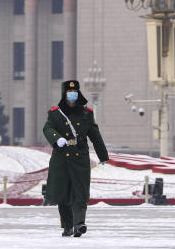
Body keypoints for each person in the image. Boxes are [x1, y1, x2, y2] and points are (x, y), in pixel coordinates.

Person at [42, 79, 109, 237]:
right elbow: (47, 128)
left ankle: (79, 223)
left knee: (80, 193)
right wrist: (56, 138)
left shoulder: (87, 113)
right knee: (63, 194)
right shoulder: (55, 113)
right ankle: (67, 225)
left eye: (74, 92)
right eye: (69, 93)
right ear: (64, 95)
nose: (72, 95)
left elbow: (95, 135)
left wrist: (102, 155)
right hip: (61, 158)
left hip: (80, 158)